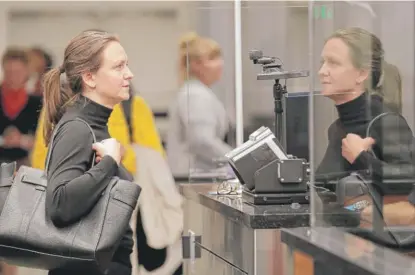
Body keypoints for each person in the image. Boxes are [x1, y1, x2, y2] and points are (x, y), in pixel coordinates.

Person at [42, 29, 134, 275]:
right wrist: (110, 163)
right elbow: (59, 205)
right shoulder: (77, 129)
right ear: (90, 77)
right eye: (118, 67)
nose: (129, 74)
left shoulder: (91, 125)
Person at [315, 27, 415, 225]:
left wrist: (361, 157)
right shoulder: (336, 128)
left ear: (361, 74)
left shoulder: (386, 121)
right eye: (322, 62)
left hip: (376, 251)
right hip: (338, 243)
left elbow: (406, 183)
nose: (322, 71)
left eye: (333, 63)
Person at [31, 86, 164, 175]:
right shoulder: (59, 105)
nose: (127, 73)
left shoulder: (134, 105)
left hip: (122, 201)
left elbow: (155, 161)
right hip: (69, 202)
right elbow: (40, 160)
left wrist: (124, 155)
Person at [166, 32, 232, 179]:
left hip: (194, 174)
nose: (220, 63)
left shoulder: (195, 91)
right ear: (196, 65)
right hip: (194, 176)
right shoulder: (196, 94)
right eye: (213, 58)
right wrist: (236, 158)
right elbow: (202, 141)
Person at [0, 47, 42, 168]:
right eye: (9, 72)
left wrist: (21, 140)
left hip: (26, 165)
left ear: (26, 72)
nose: (13, 77)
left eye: (18, 72)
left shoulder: (37, 102)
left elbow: (43, 141)